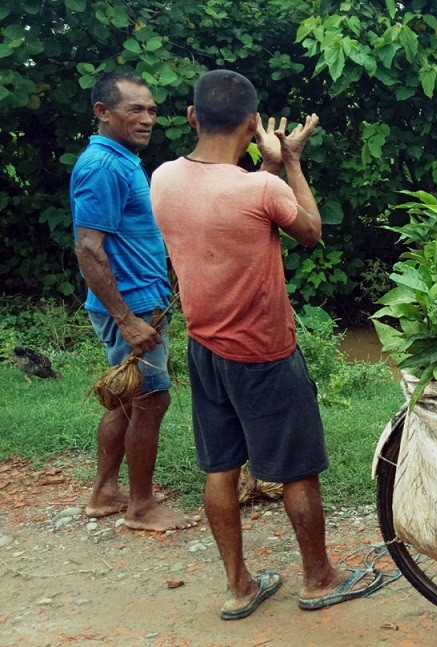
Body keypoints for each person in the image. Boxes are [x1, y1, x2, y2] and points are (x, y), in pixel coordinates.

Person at [150, 69, 382, 620]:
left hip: (203, 348)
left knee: (220, 467)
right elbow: (309, 230)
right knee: (298, 468)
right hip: (265, 351)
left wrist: (271, 166)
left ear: (191, 118)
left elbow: (225, 202)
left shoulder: (161, 178)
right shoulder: (263, 187)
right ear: (253, 123)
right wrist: (291, 160)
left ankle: (238, 587)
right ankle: (319, 577)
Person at [70, 71, 199, 532]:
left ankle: (105, 492)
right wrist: (127, 319)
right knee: (151, 400)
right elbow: (88, 247)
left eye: (151, 110)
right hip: (132, 306)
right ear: (102, 112)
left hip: (141, 301)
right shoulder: (103, 166)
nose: (147, 119)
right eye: (135, 110)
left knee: (125, 402)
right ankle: (141, 506)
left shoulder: (120, 159)